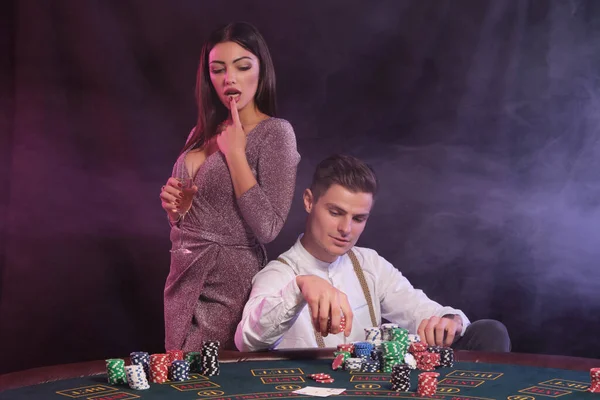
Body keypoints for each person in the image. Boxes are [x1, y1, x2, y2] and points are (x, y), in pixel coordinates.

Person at [235, 155, 510, 352]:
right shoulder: (279, 273)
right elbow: (246, 340)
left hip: (374, 391)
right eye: (335, 212)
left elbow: (424, 311)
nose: (346, 229)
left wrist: (451, 321)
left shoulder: (370, 264)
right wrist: (300, 287)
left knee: (489, 332)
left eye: (359, 218)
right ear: (309, 201)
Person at [159, 22, 300, 351]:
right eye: (218, 69)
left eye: (242, 66)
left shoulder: (275, 134)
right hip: (183, 279)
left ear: (261, 70)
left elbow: (268, 227)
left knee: (215, 381)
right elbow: (197, 216)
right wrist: (176, 210)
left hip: (230, 285)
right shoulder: (200, 131)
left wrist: (236, 154)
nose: (229, 79)